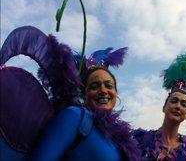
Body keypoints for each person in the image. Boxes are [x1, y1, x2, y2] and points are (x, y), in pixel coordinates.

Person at [0, 26, 140, 161]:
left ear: (116, 93)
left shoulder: (120, 139)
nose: (103, 90)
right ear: (85, 93)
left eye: (109, 85)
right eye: (94, 85)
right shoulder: (76, 117)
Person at [133, 43, 186, 161]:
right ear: (164, 107)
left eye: (184, 104)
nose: (178, 106)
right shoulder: (141, 140)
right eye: (174, 101)